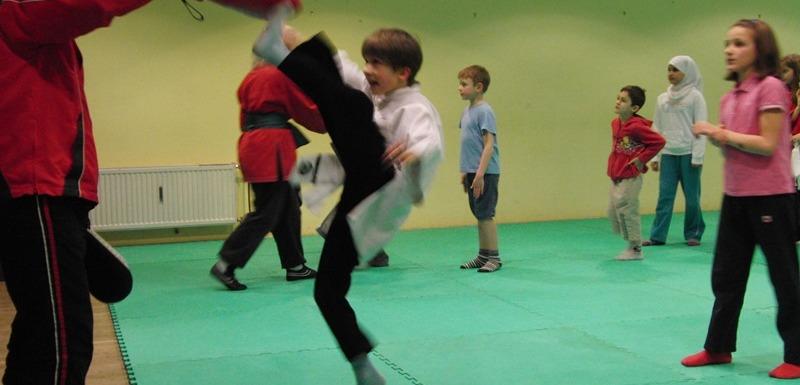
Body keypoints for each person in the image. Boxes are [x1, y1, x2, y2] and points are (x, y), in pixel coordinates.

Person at [253, 7, 443, 385]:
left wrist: (416, 150)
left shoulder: (416, 107)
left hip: (383, 182)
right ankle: (363, 367)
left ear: (403, 73)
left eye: (377, 64)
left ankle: (276, 52)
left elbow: (431, 140)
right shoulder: (376, 95)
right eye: (368, 60)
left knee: (352, 102)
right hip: (359, 190)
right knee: (327, 291)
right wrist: (296, 40)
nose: (369, 69)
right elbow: (347, 72)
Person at [0, 0, 151, 383]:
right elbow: (87, 4)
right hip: (36, 190)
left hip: (41, 189)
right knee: (61, 343)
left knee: (42, 329)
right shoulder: (16, 11)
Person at [681, 19, 800, 380]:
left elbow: (767, 144)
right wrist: (721, 137)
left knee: (784, 279)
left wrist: (720, 134)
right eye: (727, 43)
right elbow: (735, 145)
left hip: (771, 198)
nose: (729, 50)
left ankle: (797, 355)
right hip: (736, 197)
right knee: (726, 277)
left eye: (739, 43)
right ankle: (718, 347)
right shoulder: (730, 97)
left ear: (759, 49)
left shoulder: (771, 88)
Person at [209, 49, 326, 291]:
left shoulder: (252, 77)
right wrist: (332, 116)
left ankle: (295, 266)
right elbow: (306, 109)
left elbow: (246, 119)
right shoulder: (277, 75)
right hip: (271, 149)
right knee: (268, 211)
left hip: (256, 144)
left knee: (287, 207)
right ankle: (225, 264)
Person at [642, 56, 708, 247]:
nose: (671, 73)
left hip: (689, 154)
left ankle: (693, 233)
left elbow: (701, 126)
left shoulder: (696, 96)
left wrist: (698, 156)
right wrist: (655, 156)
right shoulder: (662, 99)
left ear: (687, 72)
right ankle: (657, 236)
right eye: (669, 69)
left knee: (692, 198)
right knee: (665, 196)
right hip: (668, 154)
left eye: (675, 70)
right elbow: (657, 127)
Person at [607, 86, 666, 261]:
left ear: (634, 108)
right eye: (618, 98)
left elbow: (659, 142)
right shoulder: (615, 123)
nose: (618, 102)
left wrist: (642, 159)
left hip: (631, 176)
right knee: (613, 211)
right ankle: (630, 241)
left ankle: (635, 248)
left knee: (628, 211)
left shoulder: (636, 127)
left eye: (623, 100)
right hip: (617, 174)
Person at [456, 65, 502, 272]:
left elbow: (488, 145)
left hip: (485, 173)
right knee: (479, 214)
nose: (459, 88)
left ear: (479, 87)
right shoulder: (467, 112)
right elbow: (468, 143)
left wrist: (480, 174)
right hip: (473, 172)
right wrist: (465, 171)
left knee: (485, 215)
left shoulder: (485, 111)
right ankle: (483, 255)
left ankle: (494, 258)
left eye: (464, 84)